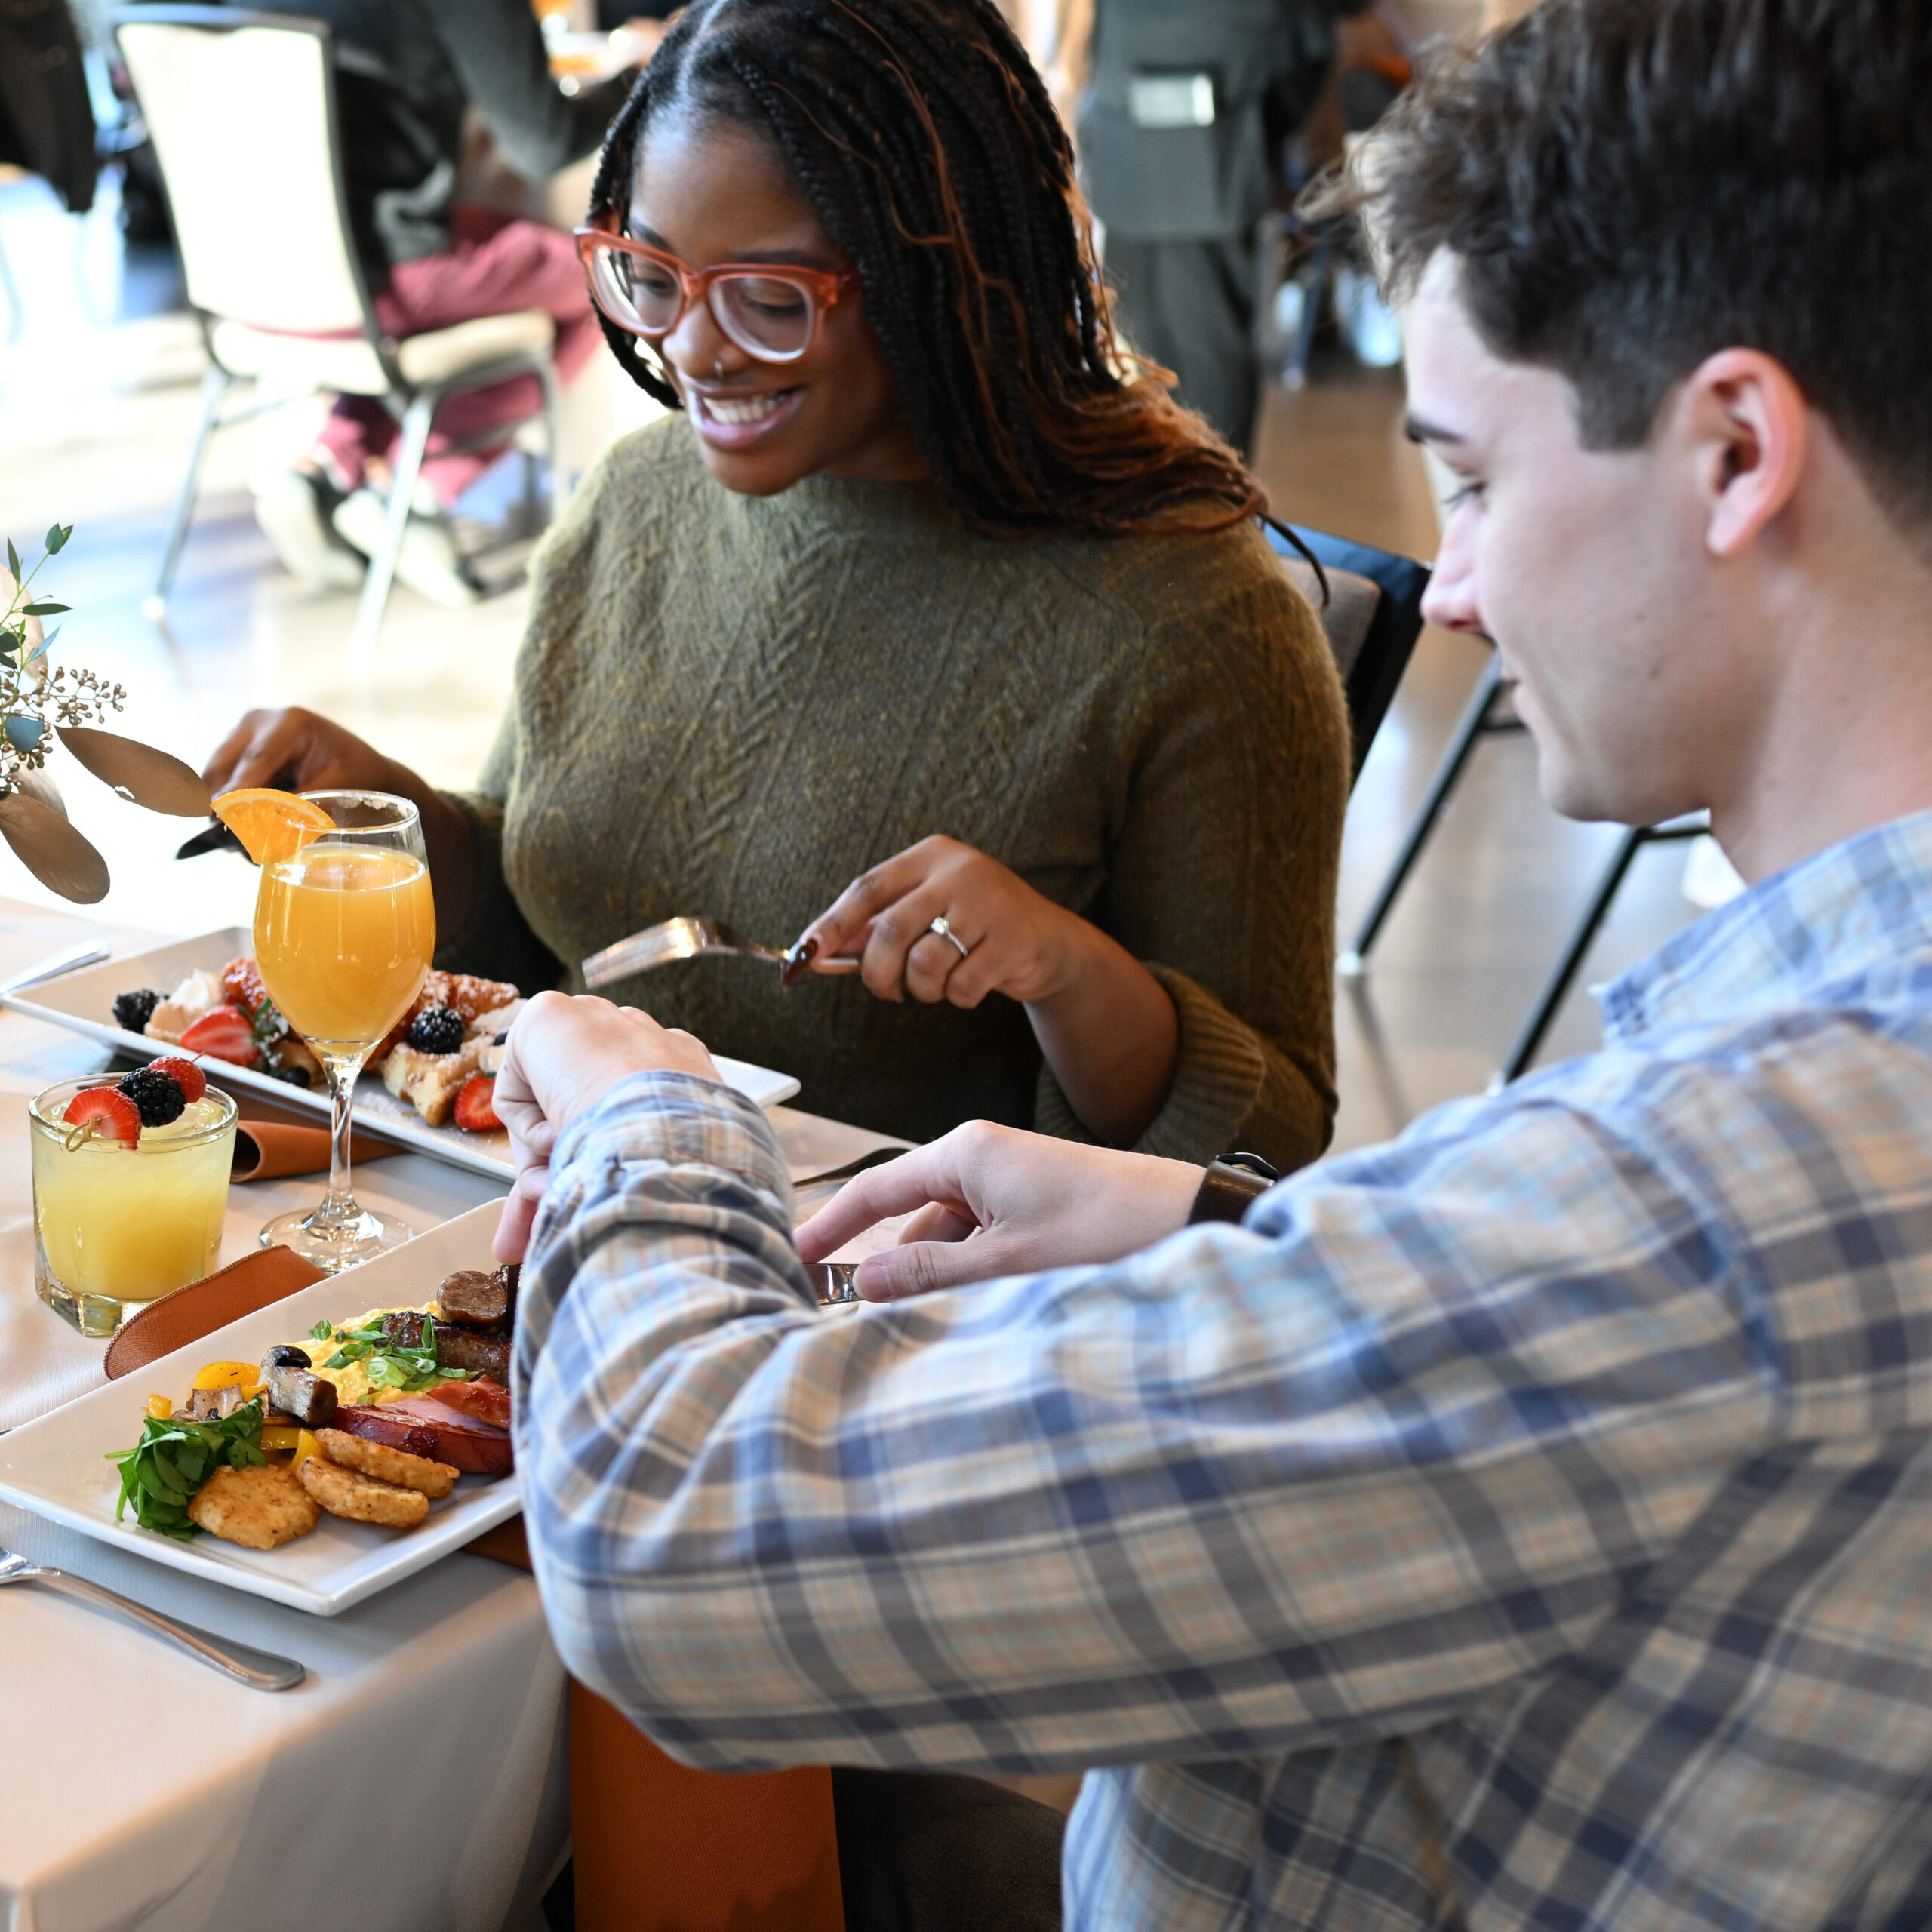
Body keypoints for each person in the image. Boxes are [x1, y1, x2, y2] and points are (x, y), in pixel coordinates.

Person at [484, 0, 1932, 1924]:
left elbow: (673, 1548)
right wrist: (1199, 1220)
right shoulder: (1768, 1107)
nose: (1461, 585)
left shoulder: (1710, 1198)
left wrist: (652, 1123)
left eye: (1473, 477)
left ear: (1735, 448)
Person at [206, 0, 1351, 1169]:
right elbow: (546, 917)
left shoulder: (1190, 620)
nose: (691, 348)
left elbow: (1267, 1154)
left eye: (768, 298)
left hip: (893, 1299)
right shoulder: (639, 497)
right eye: (649, 273)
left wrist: (1064, 968)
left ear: (935, 273)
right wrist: (387, 821)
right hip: (552, 1223)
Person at [232, 0, 637, 604]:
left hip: (252, 277)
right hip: (386, 279)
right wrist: (639, 71)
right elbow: (543, 142)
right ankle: (409, 483)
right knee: (603, 275)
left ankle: (330, 463)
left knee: (470, 249)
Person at [1077, 0, 1365, 454]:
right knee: (1162, 354)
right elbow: (1315, 40)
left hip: (1180, 144)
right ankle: (1194, 500)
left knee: (1181, 354)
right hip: (1184, 143)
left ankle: (1202, 500)